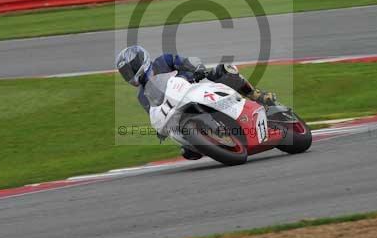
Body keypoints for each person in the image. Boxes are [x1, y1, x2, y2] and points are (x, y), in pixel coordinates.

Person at [115, 45, 277, 160]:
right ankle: (212, 143)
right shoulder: (142, 96)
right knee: (187, 152)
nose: (128, 75)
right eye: (125, 73)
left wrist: (196, 69)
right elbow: (155, 111)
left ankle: (258, 96)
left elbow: (184, 62)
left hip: (195, 86)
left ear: (140, 61)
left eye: (129, 69)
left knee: (225, 70)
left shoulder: (163, 61)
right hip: (180, 112)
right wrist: (160, 129)